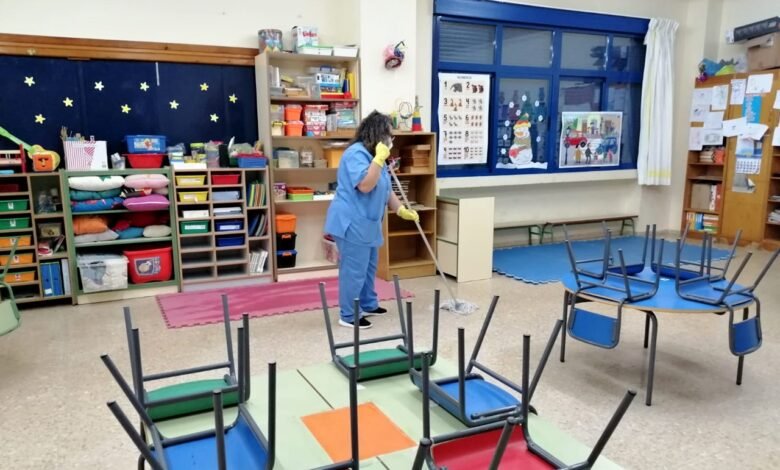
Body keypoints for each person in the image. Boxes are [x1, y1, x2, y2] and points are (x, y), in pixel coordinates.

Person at [324, 111, 419, 329]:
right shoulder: (355, 154)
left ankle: (367, 303)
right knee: (354, 270)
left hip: (368, 223)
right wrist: (378, 160)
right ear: (378, 133)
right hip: (350, 222)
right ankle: (348, 315)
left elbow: (385, 188)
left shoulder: (377, 156)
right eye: (389, 134)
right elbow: (365, 185)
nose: (391, 139)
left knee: (368, 268)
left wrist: (400, 209)